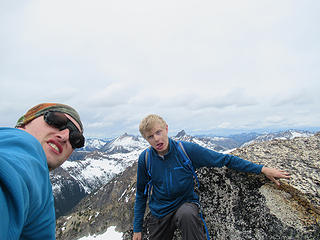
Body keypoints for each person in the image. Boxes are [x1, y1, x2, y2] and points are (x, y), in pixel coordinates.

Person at [132, 114, 290, 240]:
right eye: (150, 137)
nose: (157, 139)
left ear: (166, 129)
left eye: (158, 132)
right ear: (147, 140)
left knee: (188, 214)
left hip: (184, 205)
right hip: (160, 212)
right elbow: (141, 194)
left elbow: (224, 160)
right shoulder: (145, 159)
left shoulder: (186, 150)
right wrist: (137, 229)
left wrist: (262, 169)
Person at [0, 103, 85, 240]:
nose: (64, 136)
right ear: (25, 122)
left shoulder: (42, 188)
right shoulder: (20, 154)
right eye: (57, 120)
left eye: (76, 139)